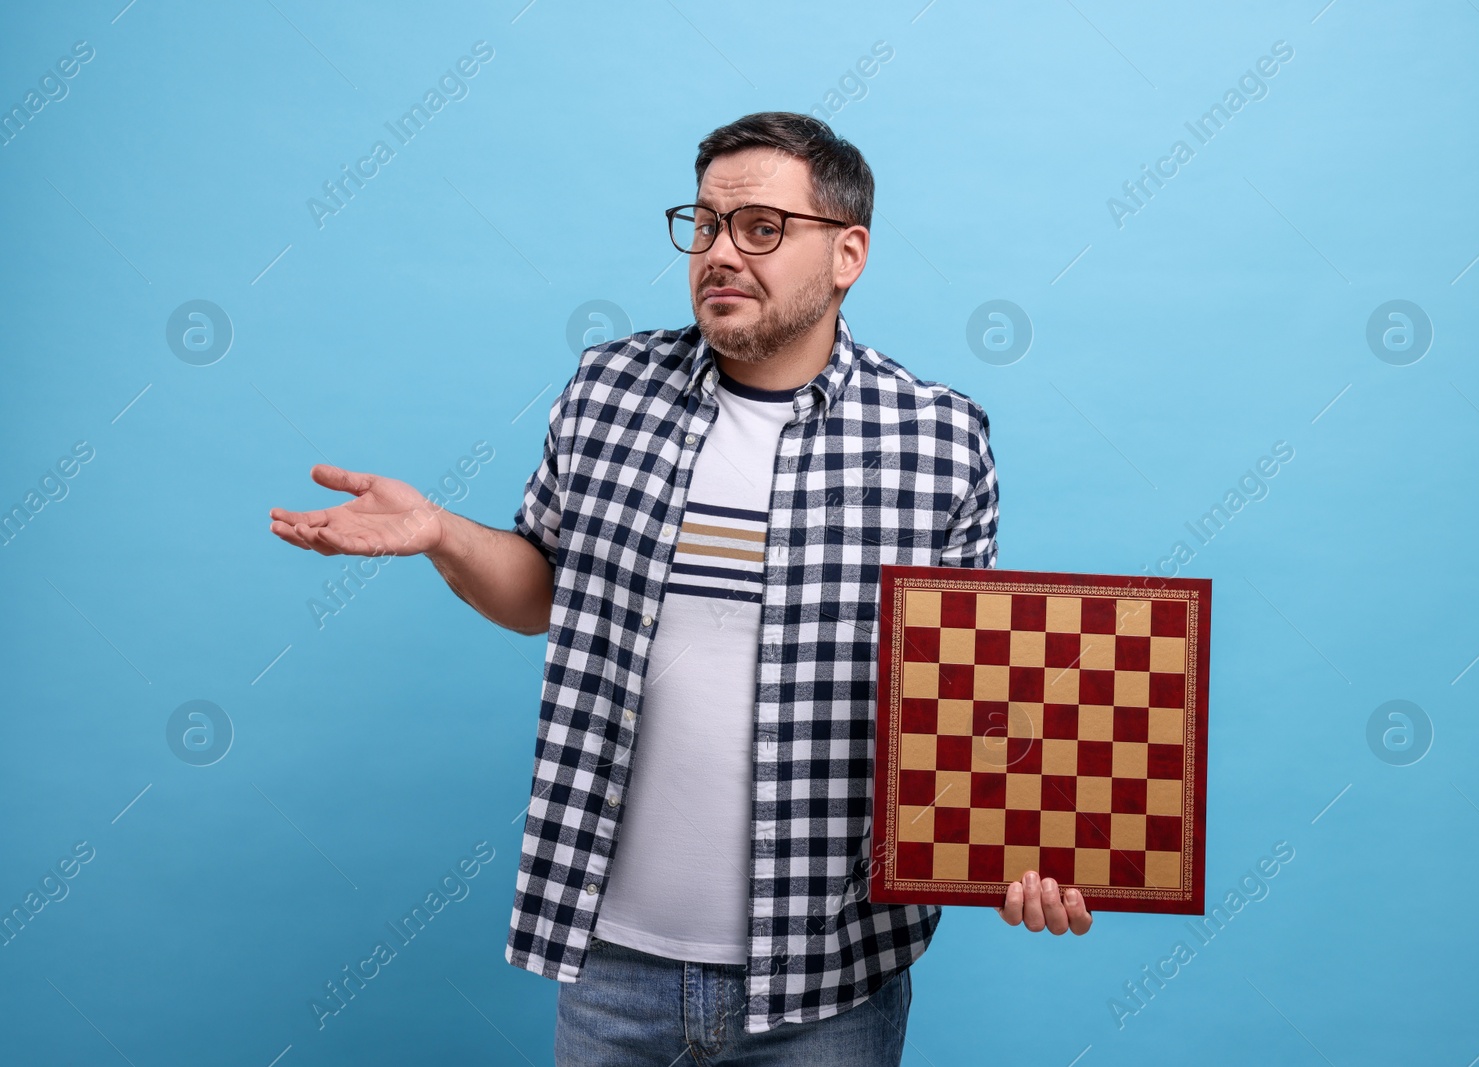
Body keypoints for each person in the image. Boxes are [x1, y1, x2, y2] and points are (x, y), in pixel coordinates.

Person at [269, 111, 1092, 1065]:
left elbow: (974, 694)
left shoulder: (940, 439)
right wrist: (441, 533)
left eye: (761, 228)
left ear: (847, 254)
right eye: (703, 225)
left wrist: (1028, 850)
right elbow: (541, 590)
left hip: (827, 983)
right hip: (614, 970)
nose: (721, 252)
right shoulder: (608, 389)